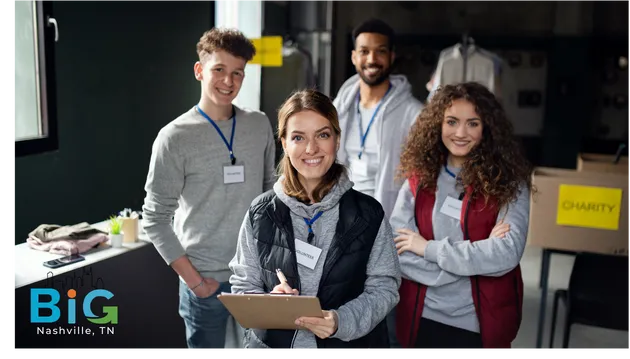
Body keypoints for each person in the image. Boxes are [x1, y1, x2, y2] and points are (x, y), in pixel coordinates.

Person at [228, 89, 401, 352]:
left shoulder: (369, 214)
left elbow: (385, 287)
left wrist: (341, 321)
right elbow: (243, 285)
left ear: (337, 139)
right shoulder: (260, 212)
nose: (312, 149)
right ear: (284, 143)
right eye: (298, 137)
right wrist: (268, 303)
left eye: (322, 135)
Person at [141, 27, 277, 352]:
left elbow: (271, 195)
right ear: (200, 70)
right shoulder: (174, 137)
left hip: (254, 277)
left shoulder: (258, 125)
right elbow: (155, 219)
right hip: (205, 280)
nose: (228, 82)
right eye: (219, 70)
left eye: (237, 73)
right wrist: (196, 282)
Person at [391, 82, 534, 352]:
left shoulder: (510, 184)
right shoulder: (418, 180)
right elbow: (395, 251)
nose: (460, 133)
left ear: (488, 128)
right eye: (452, 121)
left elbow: (506, 253)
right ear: (438, 125)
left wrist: (427, 248)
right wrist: (472, 266)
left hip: (478, 325)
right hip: (421, 318)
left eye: (473, 123)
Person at [332, 18, 422, 350]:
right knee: (343, 311)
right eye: (365, 51)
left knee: (386, 318)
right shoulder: (339, 107)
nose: (373, 59)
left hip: (387, 228)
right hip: (342, 224)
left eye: (380, 52)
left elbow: (421, 180)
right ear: (354, 57)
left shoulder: (414, 113)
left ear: (392, 57)